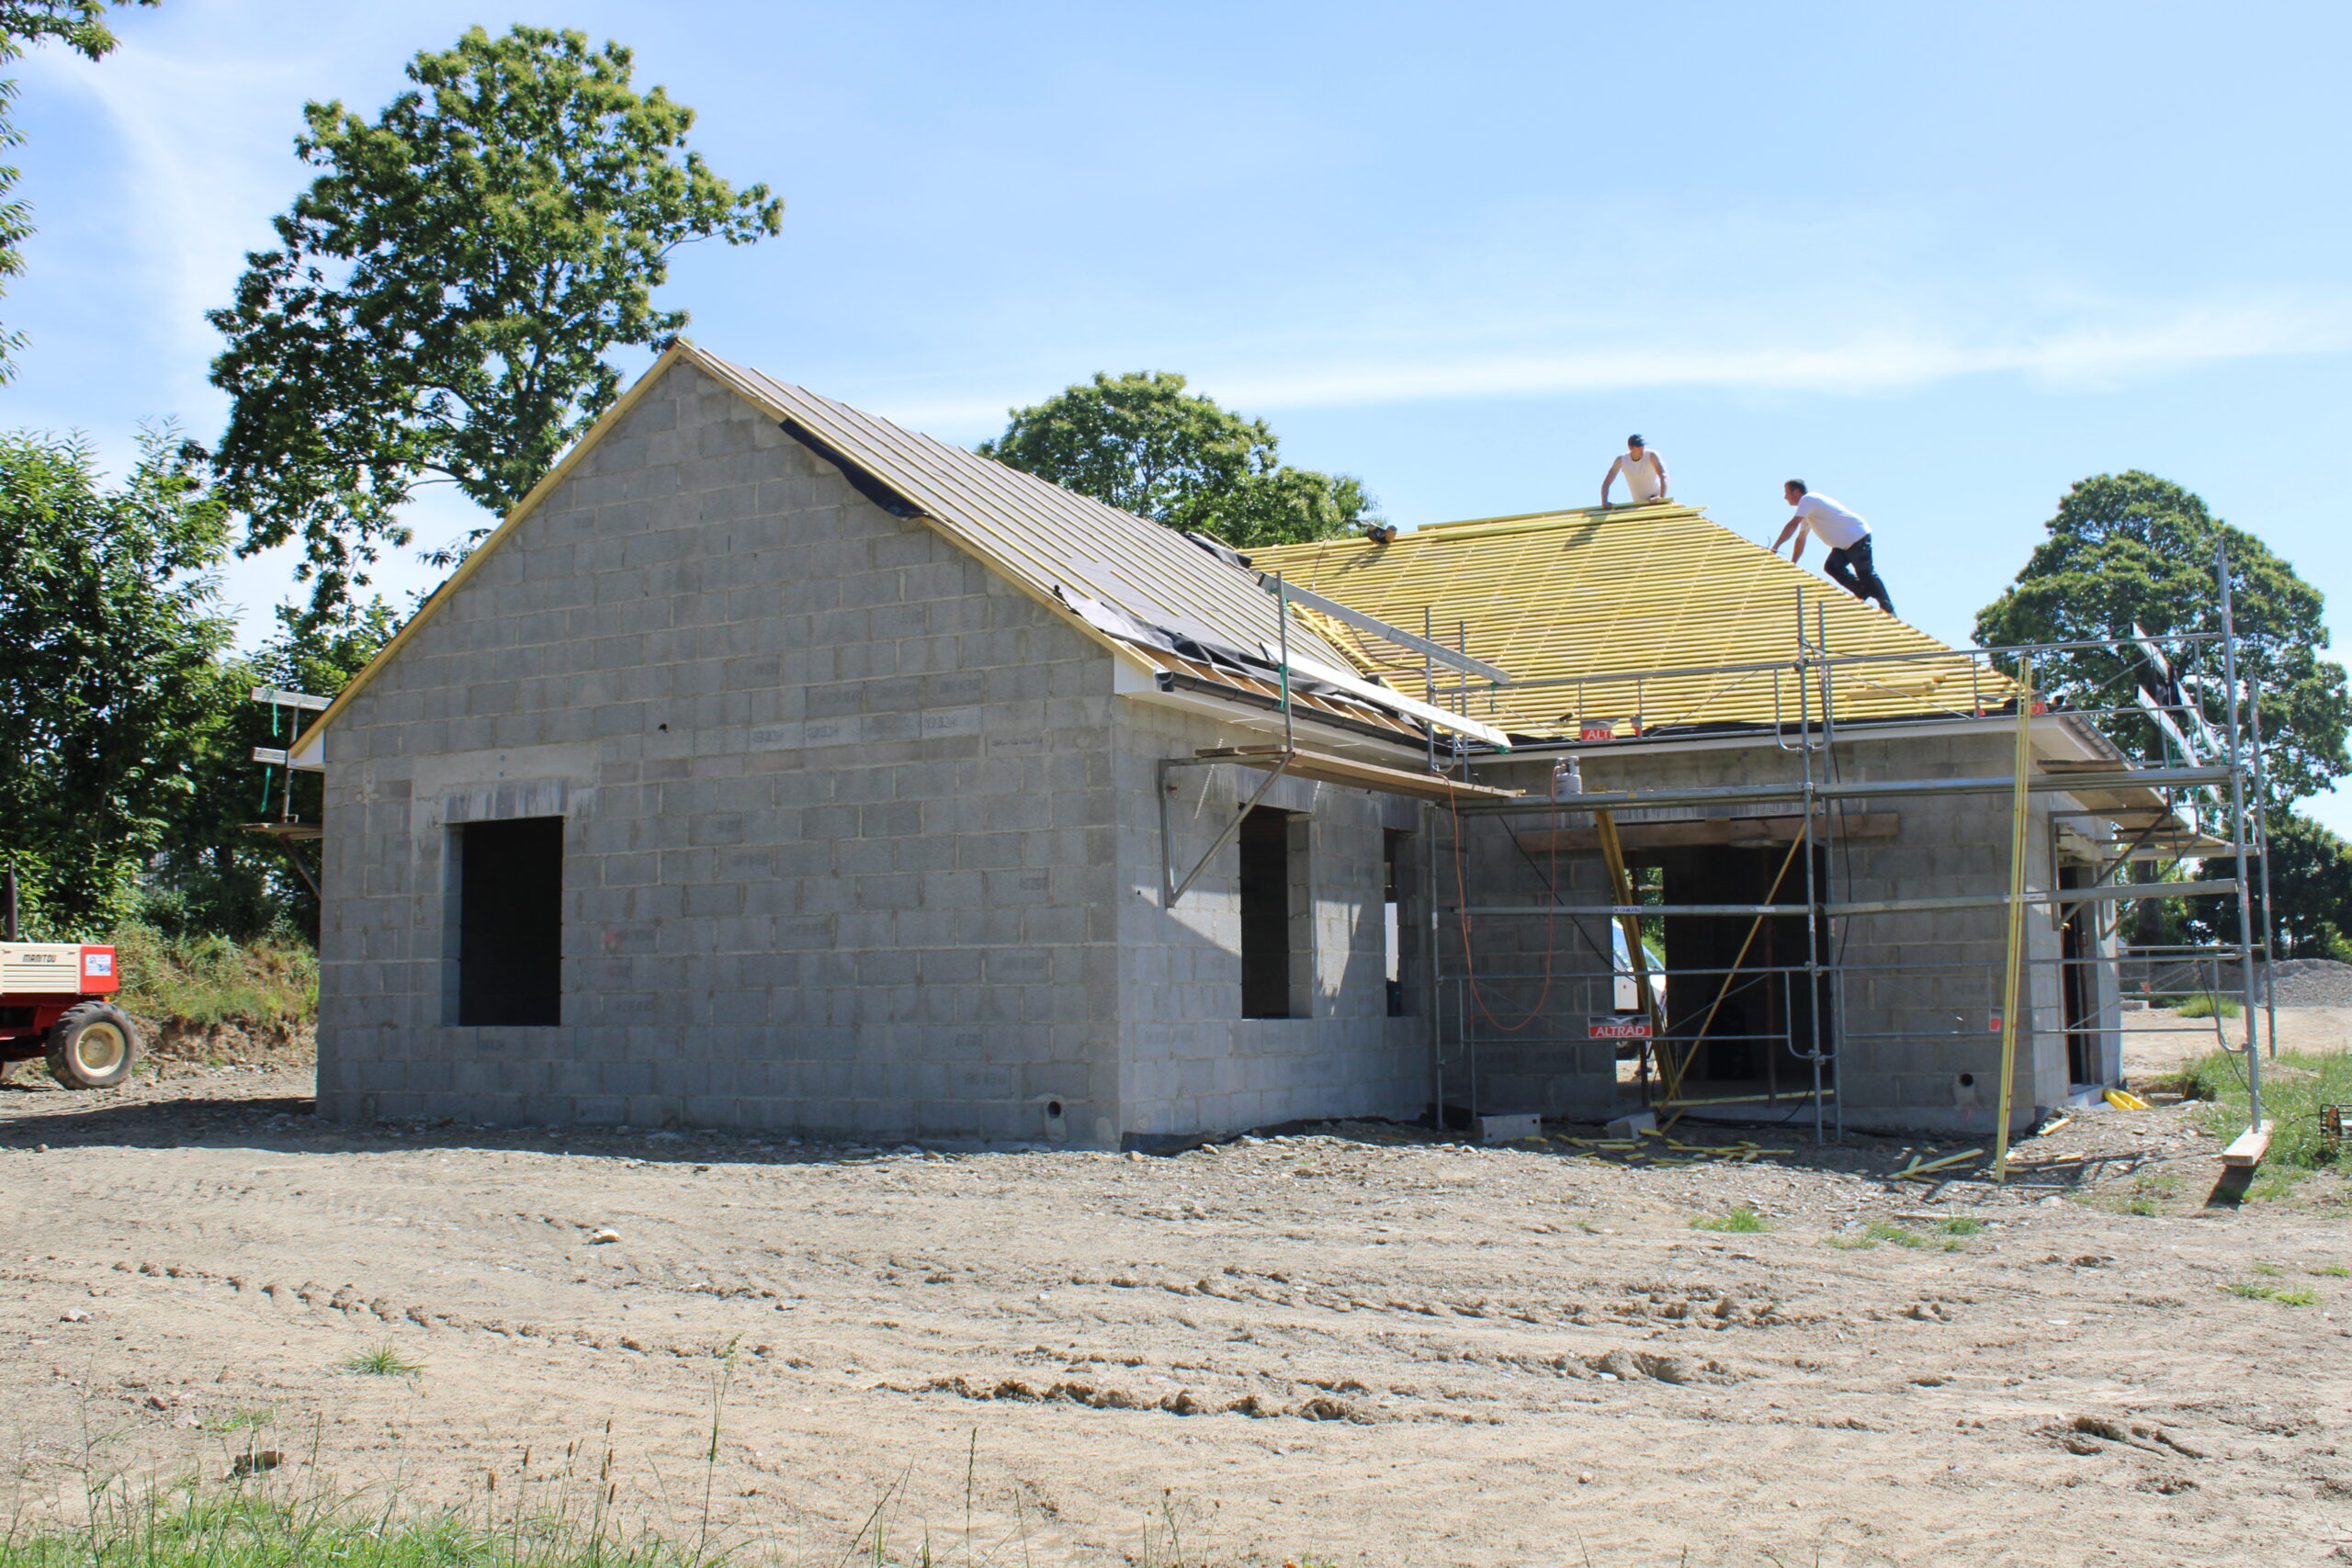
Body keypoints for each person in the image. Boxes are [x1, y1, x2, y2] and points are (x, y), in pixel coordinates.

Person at [1770, 479, 1895, 615]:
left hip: (1856, 536)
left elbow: (1792, 525)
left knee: (1865, 572)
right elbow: (1801, 538)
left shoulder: (1808, 500)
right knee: (1832, 567)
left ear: (1797, 491)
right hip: (1843, 545)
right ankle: (1862, 592)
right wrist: (1793, 563)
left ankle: (1887, 607)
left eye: (1787, 493)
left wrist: (1775, 547)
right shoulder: (1808, 511)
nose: (1785, 497)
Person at [1600, 434, 1670, 506]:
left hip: (1656, 500)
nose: (1642, 448)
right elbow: (1607, 482)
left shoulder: (1651, 455)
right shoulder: (1622, 460)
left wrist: (1661, 497)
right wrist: (1604, 502)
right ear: (1630, 448)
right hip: (1639, 505)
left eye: (1643, 446)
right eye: (1639, 446)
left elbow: (1663, 476)